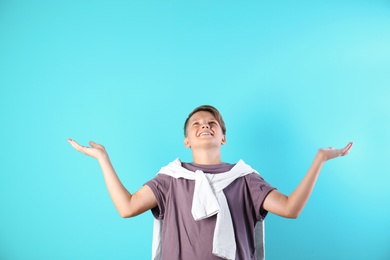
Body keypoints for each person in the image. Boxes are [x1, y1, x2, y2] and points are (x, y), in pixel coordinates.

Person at [68, 105, 353, 260]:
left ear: (223, 138)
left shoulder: (244, 179)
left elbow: (290, 208)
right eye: (197, 123)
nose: (205, 125)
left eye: (212, 123)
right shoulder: (170, 179)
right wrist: (103, 158)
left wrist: (319, 159)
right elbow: (126, 206)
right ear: (187, 141)